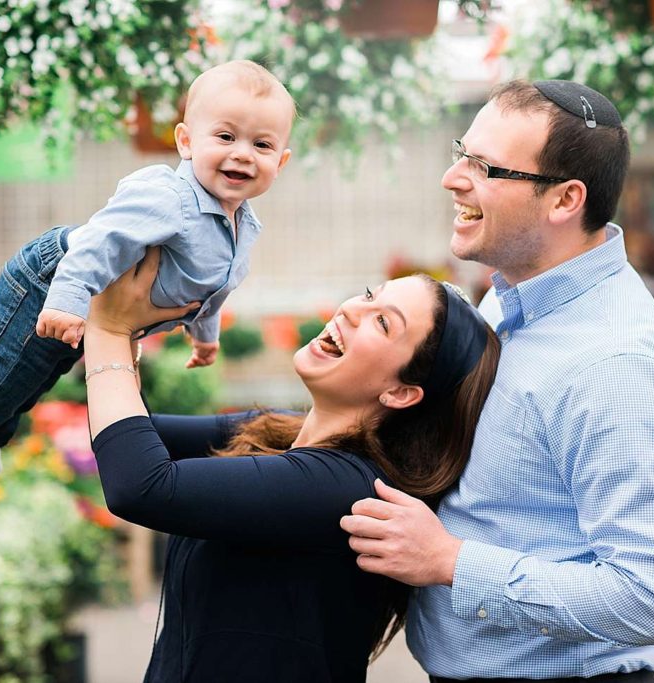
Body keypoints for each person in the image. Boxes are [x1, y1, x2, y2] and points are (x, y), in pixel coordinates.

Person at [340, 80, 654, 682]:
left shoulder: (619, 365)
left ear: (564, 200)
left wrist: (449, 560)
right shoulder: (506, 300)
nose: (453, 177)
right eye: (463, 152)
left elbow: (646, 598)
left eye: (484, 166)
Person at [84, 246, 500, 682]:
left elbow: (141, 485)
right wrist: (118, 319)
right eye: (368, 295)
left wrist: (109, 330)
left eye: (382, 322)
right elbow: (129, 434)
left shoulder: (350, 490)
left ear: (401, 393)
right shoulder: (283, 433)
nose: (353, 310)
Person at [0, 60, 295, 500]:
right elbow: (99, 240)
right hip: (53, 278)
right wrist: (66, 298)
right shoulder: (167, 196)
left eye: (262, 144)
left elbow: (213, 287)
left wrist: (204, 335)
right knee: (2, 373)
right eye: (226, 136)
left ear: (281, 161)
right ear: (186, 141)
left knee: (36, 377)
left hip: (90, 299)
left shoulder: (242, 225)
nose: (243, 153)